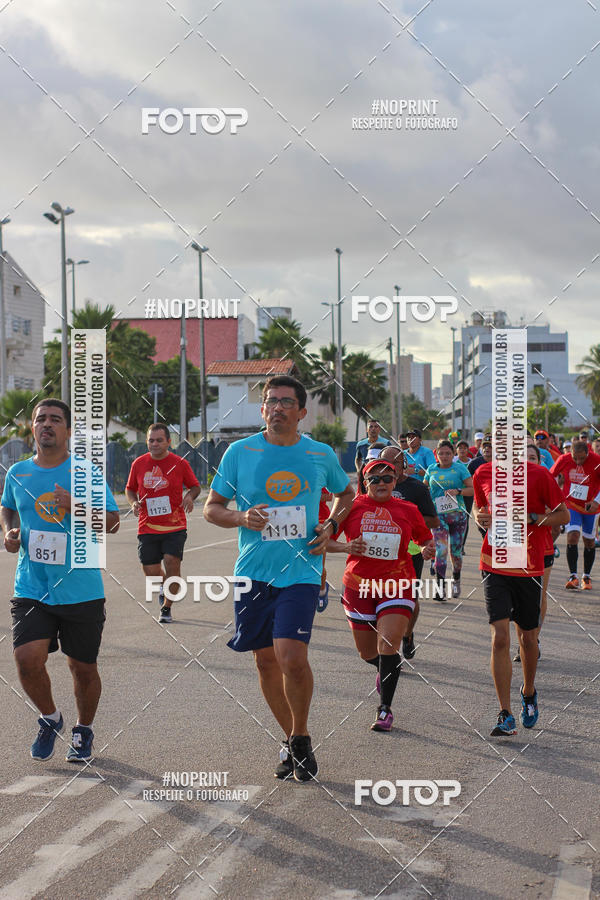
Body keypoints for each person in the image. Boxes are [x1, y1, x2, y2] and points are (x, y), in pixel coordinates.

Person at [203, 375, 354, 783]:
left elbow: (346, 494)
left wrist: (331, 525)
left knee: (291, 656)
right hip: (253, 572)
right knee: (265, 659)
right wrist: (240, 517)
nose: (277, 408)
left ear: (301, 412)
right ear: (263, 409)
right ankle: (290, 737)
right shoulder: (239, 452)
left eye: (287, 402)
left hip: (300, 571)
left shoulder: (320, 454)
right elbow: (212, 508)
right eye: (271, 401)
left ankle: (300, 736)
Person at [1, 399, 120, 762]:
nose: (47, 425)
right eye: (41, 419)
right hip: (32, 586)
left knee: (82, 667)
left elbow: (112, 522)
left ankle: (83, 729)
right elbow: (7, 506)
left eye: (55, 419)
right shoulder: (17, 473)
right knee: (26, 659)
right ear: (32, 429)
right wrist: (10, 531)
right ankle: (50, 718)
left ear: (68, 430)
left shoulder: (85, 472)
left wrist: (75, 506)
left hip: (80, 588)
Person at [327, 459, 434, 732]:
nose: (381, 483)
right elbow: (324, 540)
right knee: (367, 652)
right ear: (364, 483)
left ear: (395, 482)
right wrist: (346, 547)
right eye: (374, 479)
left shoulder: (408, 509)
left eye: (387, 478)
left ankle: (384, 708)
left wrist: (427, 549)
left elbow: (425, 538)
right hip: (358, 585)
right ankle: (386, 669)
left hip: (397, 583)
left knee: (388, 643)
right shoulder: (351, 507)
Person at [473, 451, 568, 737]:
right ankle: (505, 712)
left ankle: (528, 691)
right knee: (500, 637)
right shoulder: (483, 473)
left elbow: (563, 514)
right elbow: (480, 510)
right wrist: (480, 516)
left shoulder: (539, 474)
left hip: (529, 567)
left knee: (528, 638)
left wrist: (530, 517)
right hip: (494, 564)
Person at [126, 424, 200, 624]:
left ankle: (166, 608)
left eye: (159, 440)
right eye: (151, 440)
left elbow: (195, 486)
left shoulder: (180, 463)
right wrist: (134, 503)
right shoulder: (139, 464)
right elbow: (130, 489)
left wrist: (189, 497)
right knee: (150, 571)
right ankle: (165, 586)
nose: (155, 443)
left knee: (171, 561)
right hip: (147, 525)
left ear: (169, 442)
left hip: (175, 525)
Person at [379, 446, 439, 659]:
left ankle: (408, 633)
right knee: (381, 598)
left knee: (410, 599)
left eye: (395, 463)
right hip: (381, 552)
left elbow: (433, 520)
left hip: (411, 552)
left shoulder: (416, 488)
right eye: (385, 463)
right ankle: (389, 650)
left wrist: (406, 521)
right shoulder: (374, 484)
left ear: (403, 465)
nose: (390, 468)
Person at [513, 443, 558, 663]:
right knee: (516, 598)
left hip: (542, 548)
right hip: (514, 547)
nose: (528, 461)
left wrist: (535, 519)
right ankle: (522, 642)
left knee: (539, 595)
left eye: (532, 457)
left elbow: (559, 518)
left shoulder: (545, 480)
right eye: (524, 457)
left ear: (539, 461)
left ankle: (533, 640)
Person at [424, 440, 473, 598]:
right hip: (438, 517)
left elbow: (471, 490)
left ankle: (456, 579)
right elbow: (424, 489)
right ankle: (440, 588)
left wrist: (458, 491)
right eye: (441, 453)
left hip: (458, 516)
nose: (444, 456)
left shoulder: (460, 468)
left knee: (455, 553)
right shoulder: (431, 469)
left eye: (448, 453)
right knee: (441, 550)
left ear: (453, 454)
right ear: (436, 454)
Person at [550, 440, 600, 590]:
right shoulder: (564, 459)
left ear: (588, 452)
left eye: (582, 458)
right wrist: (554, 497)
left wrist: (597, 501)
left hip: (591, 507)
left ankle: (587, 576)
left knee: (589, 541)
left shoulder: (597, 460)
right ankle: (573, 576)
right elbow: (550, 476)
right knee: (572, 536)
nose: (578, 462)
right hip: (571, 504)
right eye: (574, 458)